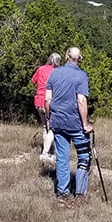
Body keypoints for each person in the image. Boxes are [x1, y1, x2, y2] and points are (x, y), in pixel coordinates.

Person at [44, 46, 93, 205]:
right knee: (84, 156)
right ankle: (80, 194)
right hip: (76, 124)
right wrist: (85, 123)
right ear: (80, 59)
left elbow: (47, 100)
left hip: (58, 122)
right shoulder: (81, 76)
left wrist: (49, 118)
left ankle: (62, 193)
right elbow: (81, 100)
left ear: (66, 57)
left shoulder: (54, 73)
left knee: (62, 158)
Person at [30, 52, 62, 162]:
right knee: (52, 128)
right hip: (49, 102)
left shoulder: (41, 69)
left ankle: (46, 150)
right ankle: (46, 153)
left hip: (38, 100)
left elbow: (33, 81)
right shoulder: (57, 72)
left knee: (45, 127)